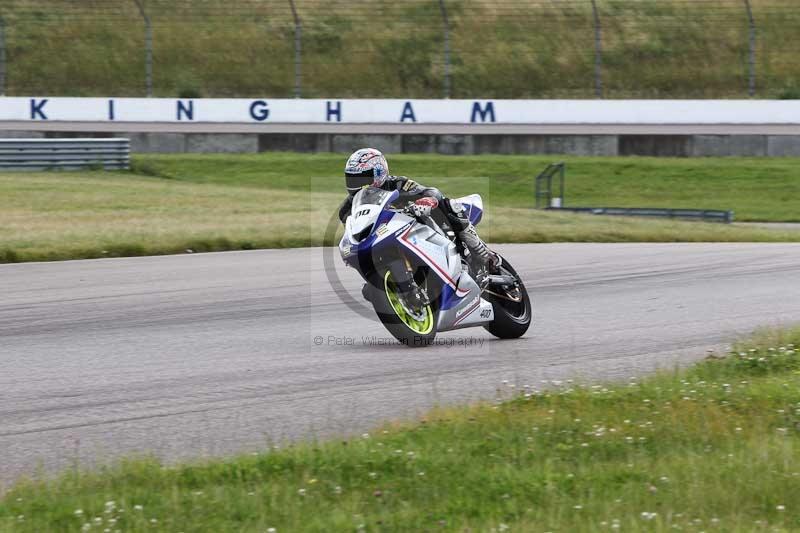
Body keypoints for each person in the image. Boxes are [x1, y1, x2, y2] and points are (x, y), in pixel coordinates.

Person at [338, 147, 500, 272]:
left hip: (420, 223)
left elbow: (431, 192)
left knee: (450, 205)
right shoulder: (347, 208)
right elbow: (355, 233)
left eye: (362, 179)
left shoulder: (397, 184)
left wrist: (426, 201)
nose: (356, 185)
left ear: (379, 173)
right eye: (351, 179)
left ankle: (481, 252)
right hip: (386, 237)